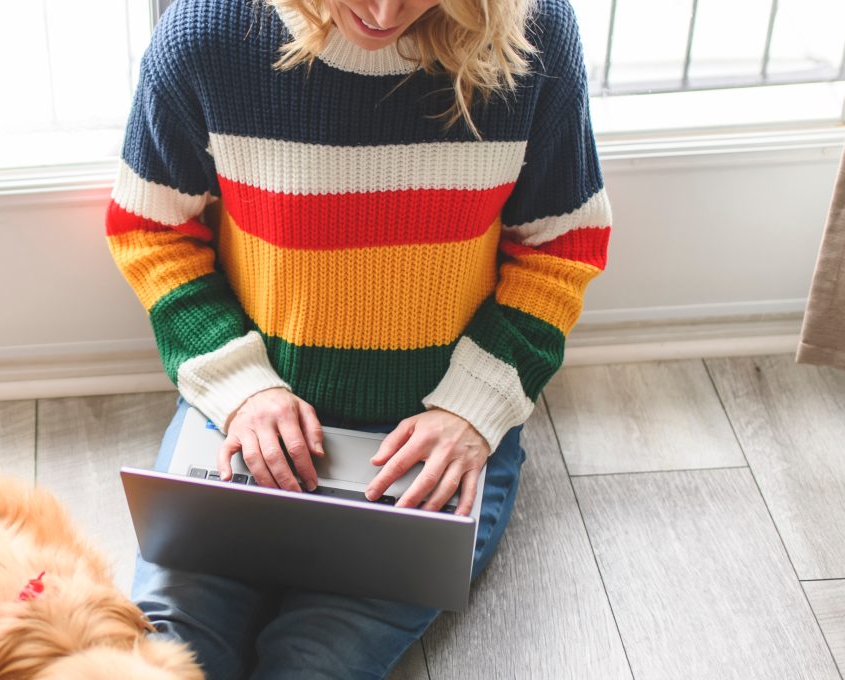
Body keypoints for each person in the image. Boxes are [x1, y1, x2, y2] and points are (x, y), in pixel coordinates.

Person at [104, 0, 610, 676]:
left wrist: (472, 409)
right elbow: (151, 229)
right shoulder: (206, 34)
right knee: (164, 651)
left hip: (428, 436)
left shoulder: (536, 32)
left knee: (316, 662)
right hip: (246, 415)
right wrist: (242, 390)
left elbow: (561, 246)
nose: (382, 11)